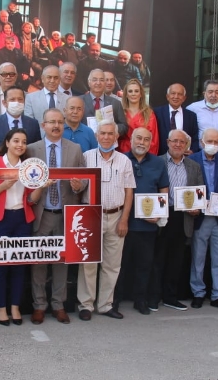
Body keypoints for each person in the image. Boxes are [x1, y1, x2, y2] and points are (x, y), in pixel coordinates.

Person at [0, 129, 49, 326]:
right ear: (7, 142)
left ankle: (15, 307)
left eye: (24, 142)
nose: (20, 145)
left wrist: (41, 186)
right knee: (0, 266)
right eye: (16, 141)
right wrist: (5, 184)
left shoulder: (29, 166)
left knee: (19, 266)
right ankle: (1, 308)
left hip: (21, 218)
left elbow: (30, 200)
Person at [27, 109, 87, 325]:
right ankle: (39, 306)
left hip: (66, 213)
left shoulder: (75, 148)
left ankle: (58, 305)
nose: (56, 126)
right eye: (51, 122)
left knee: (62, 261)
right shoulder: (31, 149)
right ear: (43, 125)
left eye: (60, 122)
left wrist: (81, 185)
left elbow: (85, 177)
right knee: (39, 261)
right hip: (41, 214)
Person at [78, 121, 135, 320]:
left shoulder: (124, 161)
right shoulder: (86, 157)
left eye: (111, 134)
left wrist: (124, 219)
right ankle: (85, 305)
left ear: (116, 137)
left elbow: (129, 191)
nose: (106, 137)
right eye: (102, 133)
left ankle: (105, 305)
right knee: (88, 263)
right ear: (96, 135)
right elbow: (79, 188)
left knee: (112, 264)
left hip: (116, 215)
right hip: (91, 215)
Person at [114, 128, 170, 316]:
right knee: (118, 265)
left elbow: (164, 189)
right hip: (122, 222)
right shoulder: (120, 159)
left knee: (144, 265)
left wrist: (161, 214)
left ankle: (140, 300)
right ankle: (113, 301)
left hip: (148, 225)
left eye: (146, 139)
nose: (142, 142)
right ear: (131, 139)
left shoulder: (158, 163)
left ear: (150, 142)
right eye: (138, 138)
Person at [147, 129, 203, 312]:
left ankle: (171, 297)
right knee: (158, 259)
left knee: (176, 260)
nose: (178, 144)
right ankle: (153, 298)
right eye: (174, 141)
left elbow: (200, 193)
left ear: (187, 145)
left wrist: (197, 208)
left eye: (182, 142)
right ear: (167, 142)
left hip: (184, 217)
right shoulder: (157, 162)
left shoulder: (194, 166)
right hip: (162, 215)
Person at [188, 128, 218, 311]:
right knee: (198, 258)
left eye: (216, 142)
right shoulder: (192, 160)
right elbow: (187, 188)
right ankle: (198, 293)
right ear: (201, 142)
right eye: (209, 141)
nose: (213, 145)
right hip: (200, 217)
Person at [0, 86, 41, 157]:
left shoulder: (33, 124)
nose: (17, 102)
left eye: (20, 99)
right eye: (12, 99)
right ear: (4, 103)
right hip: (1, 166)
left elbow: (37, 150)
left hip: (26, 166)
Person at [153, 83, 200, 155]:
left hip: (184, 158)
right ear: (167, 96)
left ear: (184, 98)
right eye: (173, 93)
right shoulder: (156, 113)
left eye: (180, 94)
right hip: (161, 157)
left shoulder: (191, 116)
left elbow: (195, 138)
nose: (176, 96)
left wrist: (192, 151)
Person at [81, 69, 129, 139]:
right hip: (84, 143)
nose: (98, 83)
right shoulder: (80, 101)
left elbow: (124, 126)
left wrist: (112, 128)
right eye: (94, 80)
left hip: (107, 143)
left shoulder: (116, 103)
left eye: (101, 80)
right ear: (89, 83)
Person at [118, 80, 158, 155]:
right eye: (130, 91)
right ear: (126, 94)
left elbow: (154, 140)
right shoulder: (120, 112)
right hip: (122, 154)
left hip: (143, 156)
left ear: (141, 94)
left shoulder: (149, 113)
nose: (133, 94)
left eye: (136, 91)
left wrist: (147, 159)